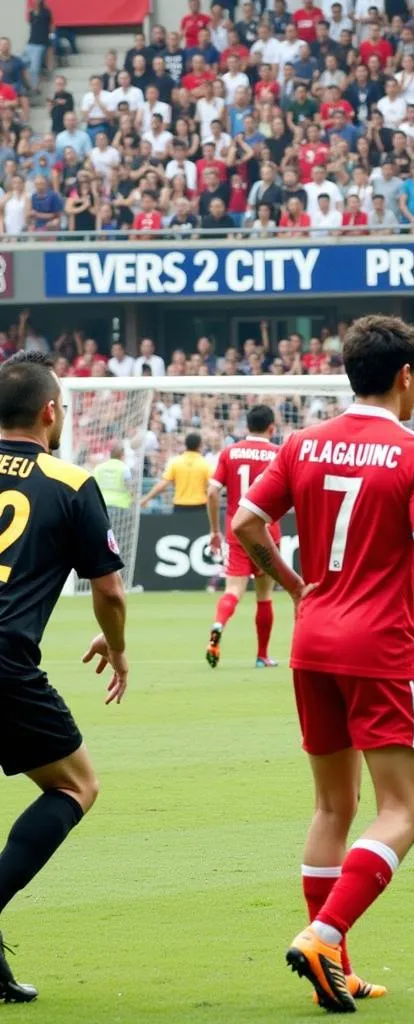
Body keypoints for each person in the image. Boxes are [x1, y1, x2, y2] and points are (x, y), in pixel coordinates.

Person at [231, 315, 414, 1013]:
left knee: (332, 805)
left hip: (312, 643)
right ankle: (324, 933)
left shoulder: (303, 443)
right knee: (406, 810)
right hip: (380, 648)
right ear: (406, 377)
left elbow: (247, 524)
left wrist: (291, 583)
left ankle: (333, 964)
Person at [0, 351, 128, 1002]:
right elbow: (108, 590)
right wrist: (117, 644)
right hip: (4, 664)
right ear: (51, 411)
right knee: (76, 785)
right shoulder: (70, 483)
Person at [205, 405, 281, 670]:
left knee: (233, 591)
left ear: (246, 426)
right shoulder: (277, 453)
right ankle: (262, 656)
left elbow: (213, 492)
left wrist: (215, 530)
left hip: (237, 532)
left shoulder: (230, 452)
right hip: (267, 532)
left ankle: (218, 626)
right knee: (264, 596)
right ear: (272, 427)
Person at [140, 432, 210, 509]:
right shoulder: (206, 464)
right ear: (200, 445)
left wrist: (146, 499)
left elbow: (162, 485)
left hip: (180, 505)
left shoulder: (175, 462)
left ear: (185, 445)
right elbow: (212, 486)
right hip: (200, 506)